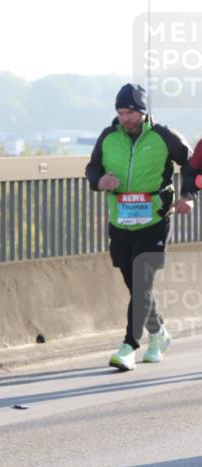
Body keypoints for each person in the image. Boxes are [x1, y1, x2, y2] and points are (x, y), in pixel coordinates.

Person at [85, 83, 196, 371]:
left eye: (131, 112)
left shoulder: (164, 136)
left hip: (155, 220)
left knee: (141, 281)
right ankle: (159, 334)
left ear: (143, 112)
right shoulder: (108, 137)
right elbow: (92, 167)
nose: (125, 118)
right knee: (135, 286)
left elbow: (193, 165)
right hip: (120, 222)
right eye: (121, 113)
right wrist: (99, 181)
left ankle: (129, 346)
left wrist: (188, 196)